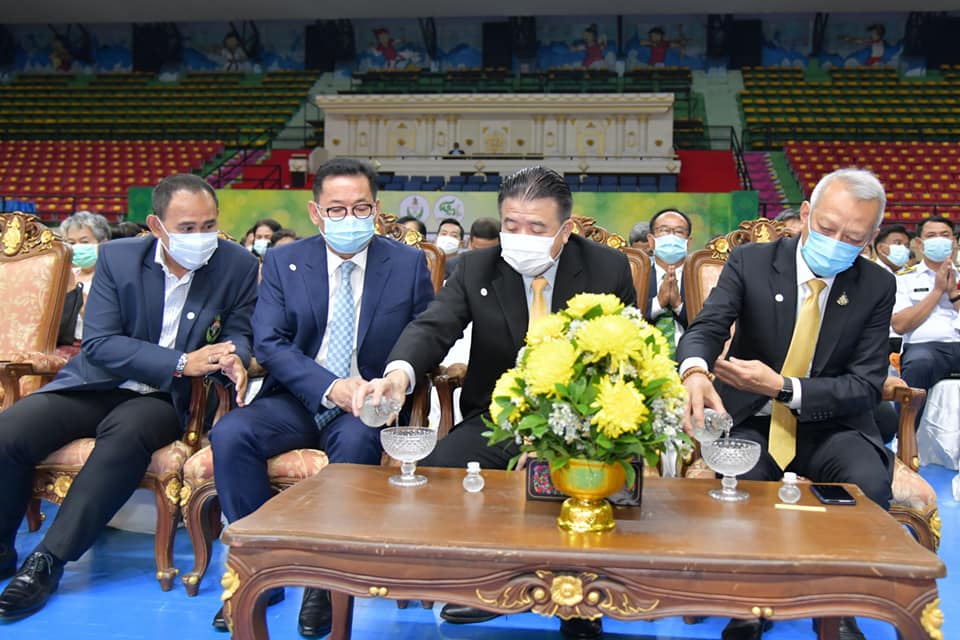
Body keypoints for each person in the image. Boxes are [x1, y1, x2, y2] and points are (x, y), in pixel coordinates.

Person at [353, 166, 635, 640]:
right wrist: (398, 374)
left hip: (584, 420)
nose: (520, 237)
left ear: (566, 229)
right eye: (511, 224)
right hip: (497, 415)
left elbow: (624, 358)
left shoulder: (607, 269)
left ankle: (581, 602)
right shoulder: (477, 267)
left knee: (580, 478)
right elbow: (434, 326)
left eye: (536, 227)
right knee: (441, 470)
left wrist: (556, 439)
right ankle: (489, 584)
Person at [0, 173, 258, 620]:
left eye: (209, 225)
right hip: (98, 383)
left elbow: (240, 333)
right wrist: (182, 360)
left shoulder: (236, 264)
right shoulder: (119, 258)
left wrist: (234, 357)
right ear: (156, 226)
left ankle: (48, 561)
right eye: (187, 228)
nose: (201, 237)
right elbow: (100, 343)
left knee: (125, 436)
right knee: (10, 430)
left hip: (164, 399)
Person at [208, 158, 434, 638]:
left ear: (376, 208)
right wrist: (331, 387)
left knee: (356, 442)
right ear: (316, 213)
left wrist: (391, 380)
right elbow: (269, 342)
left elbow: (424, 335)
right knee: (231, 433)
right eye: (337, 209)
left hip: (367, 401)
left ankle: (322, 580)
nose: (350, 219)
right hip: (297, 397)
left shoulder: (407, 263)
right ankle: (259, 569)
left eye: (361, 208)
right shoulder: (284, 262)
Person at [678, 168, 894, 640]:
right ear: (806, 213)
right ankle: (748, 601)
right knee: (740, 482)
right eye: (827, 227)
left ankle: (838, 605)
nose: (836, 243)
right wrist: (694, 369)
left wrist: (784, 387)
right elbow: (708, 326)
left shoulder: (877, 285)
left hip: (831, 423)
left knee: (869, 482)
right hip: (752, 418)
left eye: (853, 237)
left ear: (872, 237)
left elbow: (865, 385)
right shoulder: (752, 261)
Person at [891, 216, 960, 424]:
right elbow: (900, 325)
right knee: (919, 364)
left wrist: (953, 295)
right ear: (920, 244)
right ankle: (904, 433)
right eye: (931, 236)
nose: (939, 239)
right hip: (924, 348)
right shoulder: (903, 278)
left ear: (954, 241)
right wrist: (937, 291)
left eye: (944, 235)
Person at [59, 211, 111, 344]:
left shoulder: (111, 276)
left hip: (93, 343)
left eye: (85, 242)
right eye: (71, 242)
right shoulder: (68, 273)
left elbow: (99, 321)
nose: (77, 247)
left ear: (103, 243)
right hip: (64, 342)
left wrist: (73, 289)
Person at [645, 208, 692, 358]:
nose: (671, 236)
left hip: (690, 357)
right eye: (664, 231)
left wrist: (679, 306)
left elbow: (711, 323)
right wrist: (658, 304)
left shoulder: (702, 277)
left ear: (688, 242)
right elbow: (626, 317)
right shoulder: (636, 275)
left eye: (679, 232)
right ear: (651, 241)